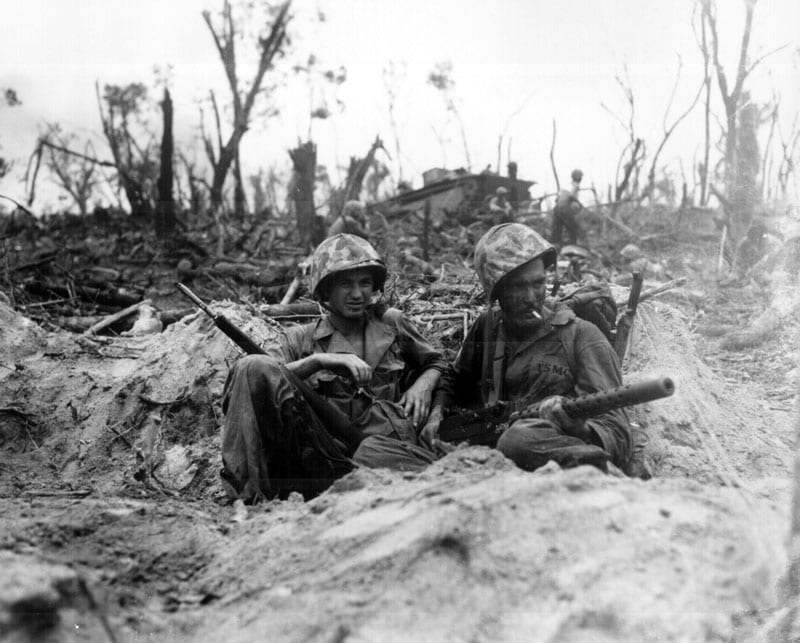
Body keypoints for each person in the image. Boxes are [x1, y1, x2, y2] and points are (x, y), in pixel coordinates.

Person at [358, 223, 632, 474]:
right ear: (497, 291)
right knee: (372, 451)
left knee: (519, 440)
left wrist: (580, 428)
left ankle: (594, 477)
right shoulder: (488, 326)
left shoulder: (582, 336)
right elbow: (455, 379)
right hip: (482, 457)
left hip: (542, 455)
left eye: (538, 283)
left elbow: (618, 432)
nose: (530, 298)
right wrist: (437, 413)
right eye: (518, 287)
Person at [220, 234, 445, 502]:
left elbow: (438, 361)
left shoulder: (391, 324)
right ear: (326, 290)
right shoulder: (299, 338)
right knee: (249, 365)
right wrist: (319, 361)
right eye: (346, 284)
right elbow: (259, 376)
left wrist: (423, 384)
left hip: (380, 453)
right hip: (318, 459)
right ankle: (244, 497)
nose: (357, 293)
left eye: (364, 283)